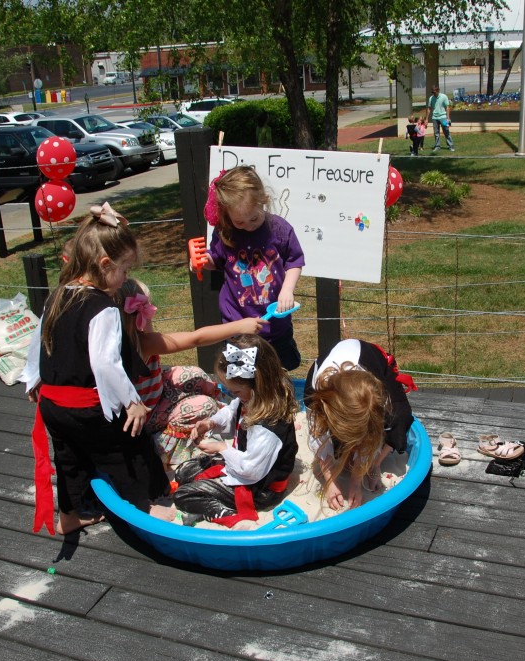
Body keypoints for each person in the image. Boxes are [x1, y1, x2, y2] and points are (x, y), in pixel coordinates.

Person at [23, 203, 175, 536]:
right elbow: (105, 362)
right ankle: (145, 508)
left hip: (52, 404)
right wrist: (132, 401)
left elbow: (39, 340)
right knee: (129, 448)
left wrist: (32, 378)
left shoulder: (58, 295)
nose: (124, 279)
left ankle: (69, 516)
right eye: (123, 270)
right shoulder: (102, 307)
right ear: (105, 264)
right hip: (86, 406)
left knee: (69, 460)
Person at [117, 277, 265, 467]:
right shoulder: (143, 344)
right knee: (205, 406)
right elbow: (196, 339)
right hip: (146, 414)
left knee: (196, 375)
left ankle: (220, 412)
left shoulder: (136, 338)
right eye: (148, 308)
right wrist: (238, 326)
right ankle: (162, 446)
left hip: (154, 391)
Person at [174, 334, 300, 529]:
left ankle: (230, 516)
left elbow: (251, 471)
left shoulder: (267, 427)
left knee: (184, 494)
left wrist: (221, 448)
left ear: (258, 385)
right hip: (243, 464)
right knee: (184, 472)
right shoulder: (251, 398)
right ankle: (211, 498)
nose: (233, 395)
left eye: (236, 391)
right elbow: (232, 411)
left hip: (260, 488)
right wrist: (210, 423)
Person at [199, 165, 305, 371]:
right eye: (239, 221)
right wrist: (204, 263)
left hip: (275, 323)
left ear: (263, 200)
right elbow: (218, 262)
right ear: (227, 215)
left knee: (279, 374)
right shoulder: (225, 232)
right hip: (237, 324)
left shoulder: (279, 229)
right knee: (243, 378)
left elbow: (294, 261)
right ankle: (246, 404)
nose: (248, 225)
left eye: (254, 218)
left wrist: (287, 289)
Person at [304, 339, 417, 511]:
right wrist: (330, 481)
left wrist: (357, 481)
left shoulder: (378, 398)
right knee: (336, 444)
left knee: (399, 418)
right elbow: (318, 439)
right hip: (330, 385)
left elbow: (373, 435)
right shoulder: (315, 397)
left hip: (371, 361)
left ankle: (376, 464)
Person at [426, 85, 454, 152]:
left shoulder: (444, 97)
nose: (433, 93)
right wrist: (426, 119)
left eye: (434, 92)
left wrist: (448, 118)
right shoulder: (431, 98)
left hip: (443, 117)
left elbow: (447, 107)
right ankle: (437, 146)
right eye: (432, 92)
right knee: (436, 133)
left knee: (446, 131)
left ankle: (450, 146)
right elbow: (429, 109)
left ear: (438, 90)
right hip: (435, 118)